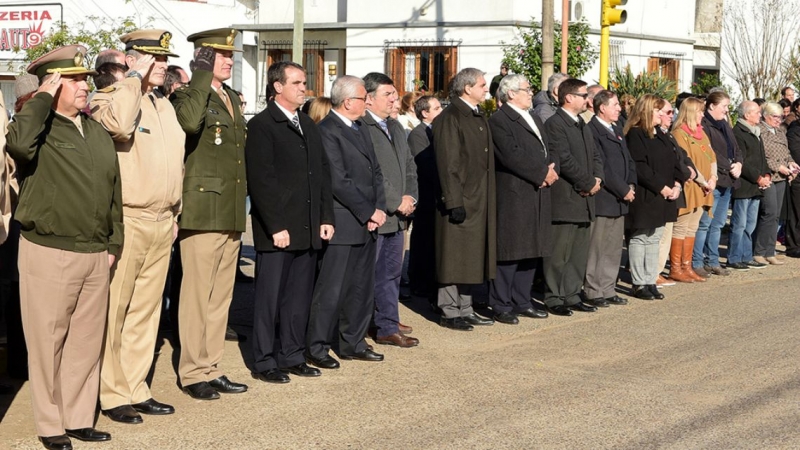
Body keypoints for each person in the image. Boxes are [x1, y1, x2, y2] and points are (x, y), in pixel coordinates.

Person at [7, 44, 121, 449]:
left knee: (86, 343)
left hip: (94, 251)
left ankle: (77, 417)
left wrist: (114, 240)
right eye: (72, 81)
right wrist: (40, 97)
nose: (83, 87)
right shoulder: (37, 126)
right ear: (52, 85)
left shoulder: (93, 129)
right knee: (47, 342)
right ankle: (50, 424)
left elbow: (113, 189)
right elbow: (17, 145)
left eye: (84, 80)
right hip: (49, 249)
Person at [90, 29, 184, 424]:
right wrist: (130, 81)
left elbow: (174, 162)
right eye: (154, 59)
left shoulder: (163, 104)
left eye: (164, 59)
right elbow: (119, 128)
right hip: (129, 218)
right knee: (115, 310)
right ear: (132, 60)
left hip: (163, 221)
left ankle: (135, 387)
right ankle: (111, 394)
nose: (162, 66)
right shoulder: (111, 97)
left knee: (146, 312)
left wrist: (175, 214)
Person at [171, 28, 249, 400]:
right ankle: (191, 371)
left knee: (220, 297)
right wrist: (200, 75)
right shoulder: (189, 93)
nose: (229, 60)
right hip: (203, 209)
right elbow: (188, 124)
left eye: (230, 55)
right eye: (220, 55)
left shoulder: (231, 97)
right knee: (197, 296)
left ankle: (211, 365)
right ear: (203, 60)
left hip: (230, 208)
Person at [245, 61, 334, 383]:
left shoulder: (307, 124)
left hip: (308, 225)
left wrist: (325, 217)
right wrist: (275, 226)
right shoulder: (262, 125)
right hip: (278, 230)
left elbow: (322, 174)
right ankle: (265, 359)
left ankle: (293, 354)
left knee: (298, 298)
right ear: (277, 87)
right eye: (296, 83)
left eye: (304, 82)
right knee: (270, 298)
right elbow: (262, 180)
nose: (303, 88)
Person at [305, 75, 387, 368]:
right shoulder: (328, 130)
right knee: (332, 289)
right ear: (349, 101)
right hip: (344, 221)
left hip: (367, 222)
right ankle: (317, 346)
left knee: (361, 287)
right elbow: (339, 180)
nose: (367, 102)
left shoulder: (360, 127)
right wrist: (368, 212)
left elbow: (375, 170)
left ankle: (353, 341)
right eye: (364, 98)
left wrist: (378, 209)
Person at [488, 74, 555, 324]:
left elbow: (546, 148)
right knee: (511, 251)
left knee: (531, 249)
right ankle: (501, 303)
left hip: (538, 190)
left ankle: (522, 300)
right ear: (511, 93)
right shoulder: (500, 119)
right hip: (515, 193)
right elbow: (510, 155)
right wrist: (541, 173)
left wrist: (551, 168)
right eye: (526, 89)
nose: (531, 93)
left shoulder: (534, 116)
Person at [358, 72, 419, 347]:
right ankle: (368, 324)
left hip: (399, 216)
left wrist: (410, 198)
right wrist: (396, 201)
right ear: (368, 99)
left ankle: (387, 324)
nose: (395, 99)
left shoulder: (394, 126)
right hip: (379, 213)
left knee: (391, 273)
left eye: (395, 94)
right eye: (388, 94)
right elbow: (373, 173)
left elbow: (409, 167)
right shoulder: (362, 127)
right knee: (370, 274)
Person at [433, 68, 496, 331]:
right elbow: (448, 163)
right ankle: (449, 310)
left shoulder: (477, 115)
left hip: (479, 198)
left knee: (471, 256)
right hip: (461, 198)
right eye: (482, 85)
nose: (486, 89)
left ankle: (466, 308)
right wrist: (453, 201)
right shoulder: (451, 117)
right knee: (453, 256)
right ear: (467, 88)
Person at [541, 78, 603, 315]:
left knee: (578, 252)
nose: (588, 99)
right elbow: (563, 160)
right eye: (583, 94)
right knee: (559, 253)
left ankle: (572, 294)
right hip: (566, 197)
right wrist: (587, 182)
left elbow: (596, 155)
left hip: (586, 197)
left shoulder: (581, 123)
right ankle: (554, 297)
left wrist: (598, 180)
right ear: (569, 97)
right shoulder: (555, 124)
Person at [624, 94, 684, 300]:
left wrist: (677, 183)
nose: (663, 114)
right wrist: (662, 187)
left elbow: (675, 162)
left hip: (665, 196)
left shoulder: (661, 134)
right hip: (647, 195)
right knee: (641, 238)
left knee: (655, 238)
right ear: (647, 111)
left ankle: (651, 279)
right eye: (658, 110)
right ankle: (639, 282)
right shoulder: (635, 134)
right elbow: (639, 166)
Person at [585, 89, 636, 307]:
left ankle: (607, 288)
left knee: (614, 247)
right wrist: (622, 188)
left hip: (621, 197)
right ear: (602, 107)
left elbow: (628, 159)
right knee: (598, 247)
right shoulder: (592, 130)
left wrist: (631, 183)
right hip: (605, 197)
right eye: (615, 105)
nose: (619, 108)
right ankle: (593, 290)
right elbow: (602, 165)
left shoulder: (616, 128)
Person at [669, 97, 717, 282]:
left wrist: (713, 178)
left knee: (692, 227)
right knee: (681, 227)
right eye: (699, 111)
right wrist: (704, 181)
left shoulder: (701, 132)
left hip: (705, 187)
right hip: (692, 186)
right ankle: (676, 268)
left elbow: (711, 157)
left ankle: (687, 266)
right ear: (689, 112)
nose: (702, 114)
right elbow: (686, 161)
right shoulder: (680, 133)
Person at [694, 91, 741, 276]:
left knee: (718, 224)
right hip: (714, 178)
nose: (727, 110)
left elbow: (735, 147)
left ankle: (712, 260)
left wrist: (738, 163)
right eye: (724, 106)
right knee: (705, 223)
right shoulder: (704, 125)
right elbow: (710, 151)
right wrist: (729, 165)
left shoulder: (725, 124)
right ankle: (697, 261)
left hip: (727, 180)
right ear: (712, 106)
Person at [754, 102, 799, 265]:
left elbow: (786, 152)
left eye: (780, 116)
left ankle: (769, 250)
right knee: (769, 213)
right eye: (775, 116)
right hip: (769, 176)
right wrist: (778, 167)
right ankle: (759, 250)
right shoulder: (760, 130)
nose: (779, 120)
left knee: (777, 215)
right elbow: (763, 155)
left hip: (782, 177)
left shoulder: (780, 131)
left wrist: (791, 163)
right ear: (765, 116)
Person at [407, 95, 443, 299]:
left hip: (436, 196)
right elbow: (426, 165)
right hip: (425, 195)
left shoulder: (437, 131)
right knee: (423, 240)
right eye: (436, 108)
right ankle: (419, 281)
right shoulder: (418, 134)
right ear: (425, 113)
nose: (441, 111)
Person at [729, 101, 771, 268]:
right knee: (739, 223)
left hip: (756, 186)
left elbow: (762, 157)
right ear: (746, 115)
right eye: (757, 112)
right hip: (744, 185)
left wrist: (767, 174)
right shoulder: (738, 132)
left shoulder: (756, 131)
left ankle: (746, 256)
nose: (760, 115)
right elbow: (742, 160)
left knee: (750, 224)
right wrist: (758, 177)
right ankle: (734, 257)